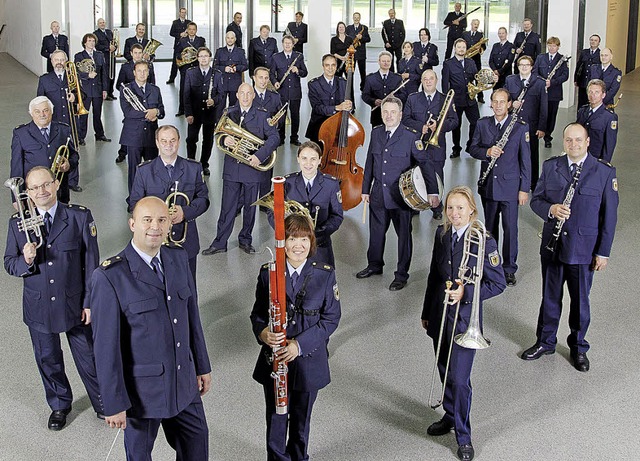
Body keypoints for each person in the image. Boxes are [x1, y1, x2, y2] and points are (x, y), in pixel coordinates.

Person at [91, 196, 212, 460]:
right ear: (132, 224)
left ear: (170, 224)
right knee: (139, 455)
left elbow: (192, 317)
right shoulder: (110, 277)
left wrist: (202, 366)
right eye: (147, 220)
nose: (154, 226)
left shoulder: (178, 258)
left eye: (161, 220)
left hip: (183, 383)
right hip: (142, 395)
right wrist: (113, 403)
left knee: (197, 446)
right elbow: (105, 348)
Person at [4, 166, 103, 431]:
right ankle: (60, 404)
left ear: (56, 184)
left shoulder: (79, 217)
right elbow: (9, 263)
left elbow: (91, 264)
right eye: (34, 188)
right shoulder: (17, 224)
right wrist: (25, 260)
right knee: (47, 357)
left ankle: (103, 402)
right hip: (38, 306)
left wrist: (89, 303)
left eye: (45, 185)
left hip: (74, 302)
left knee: (90, 356)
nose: (41, 192)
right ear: (27, 193)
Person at [522, 123, 619, 372]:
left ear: (587, 142)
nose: (573, 145)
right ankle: (545, 341)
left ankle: (578, 348)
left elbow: (609, 217)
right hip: (553, 246)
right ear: (564, 142)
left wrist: (603, 252)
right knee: (550, 298)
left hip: (583, 250)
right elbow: (537, 200)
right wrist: (551, 210)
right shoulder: (551, 166)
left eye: (578, 140)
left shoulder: (603, 172)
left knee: (580, 303)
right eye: (568, 140)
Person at [421, 186, 506, 461]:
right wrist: (426, 312)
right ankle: (449, 414)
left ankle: (464, 436)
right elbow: (434, 275)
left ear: (472, 209)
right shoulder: (442, 233)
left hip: (466, 319)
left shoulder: (484, 240)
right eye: (450, 208)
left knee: (460, 380)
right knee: (445, 369)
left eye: (460, 208)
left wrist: (465, 293)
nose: (454, 214)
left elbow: (497, 283)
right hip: (440, 314)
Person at [251, 214, 341, 461]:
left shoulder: (324, 275)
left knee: (301, 421)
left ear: (311, 242)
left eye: (303, 239)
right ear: (283, 241)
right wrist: (263, 332)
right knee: (276, 418)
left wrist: (298, 346)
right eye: (292, 239)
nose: (298, 245)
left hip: (308, 362)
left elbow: (330, 319)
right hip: (275, 362)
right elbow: (257, 314)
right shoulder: (268, 273)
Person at [356, 96, 439, 291]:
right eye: (385, 112)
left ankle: (401, 274)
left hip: (401, 198)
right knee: (376, 234)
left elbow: (425, 164)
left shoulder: (411, 136)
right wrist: (365, 189)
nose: (389, 116)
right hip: (377, 195)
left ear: (400, 115)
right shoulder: (376, 133)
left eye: (393, 112)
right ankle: (375, 265)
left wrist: (432, 191)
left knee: (404, 237)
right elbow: (370, 162)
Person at [202, 83, 279, 255]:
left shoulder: (262, 115)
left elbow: (274, 137)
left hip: (252, 169)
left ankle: (245, 240)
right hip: (232, 169)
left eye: (248, 93)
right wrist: (225, 141)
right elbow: (219, 135)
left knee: (250, 208)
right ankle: (219, 242)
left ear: (253, 96)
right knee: (227, 208)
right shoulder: (229, 113)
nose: (245, 97)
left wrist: (259, 155)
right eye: (242, 93)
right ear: (237, 94)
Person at [130, 125, 210, 283]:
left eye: (172, 140)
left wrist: (185, 212)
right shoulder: (144, 171)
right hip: (154, 239)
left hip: (184, 240)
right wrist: (157, 217)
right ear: (157, 143)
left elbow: (203, 199)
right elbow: (134, 203)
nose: (168, 144)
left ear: (179, 142)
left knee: (188, 286)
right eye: (164, 141)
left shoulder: (193, 168)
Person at [469, 88, 531, 286]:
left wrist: (524, 189)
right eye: (494, 101)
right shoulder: (482, 124)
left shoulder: (520, 128)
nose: (497, 105)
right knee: (490, 229)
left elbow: (526, 161)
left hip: (511, 188)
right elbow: (472, 148)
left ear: (509, 104)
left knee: (510, 230)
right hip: (489, 187)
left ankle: (509, 268)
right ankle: (490, 265)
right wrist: (487, 151)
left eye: (502, 102)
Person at [274, 141, 343, 266]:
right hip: (292, 246)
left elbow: (336, 216)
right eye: (304, 158)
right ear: (298, 159)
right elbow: (272, 211)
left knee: (322, 281)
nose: (308, 163)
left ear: (320, 160)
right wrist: (285, 232)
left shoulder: (331, 184)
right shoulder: (287, 182)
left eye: (313, 159)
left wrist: (315, 235)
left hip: (320, 244)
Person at [402, 69, 458, 220]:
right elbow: (405, 119)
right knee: (417, 174)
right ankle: (416, 205)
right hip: (416, 146)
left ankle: (437, 207)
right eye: (425, 79)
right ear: (421, 81)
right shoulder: (412, 98)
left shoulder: (445, 99)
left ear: (436, 80)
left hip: (436, 146)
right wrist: (421, 127)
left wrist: (439, 125)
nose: (428, 81)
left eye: (431, 79)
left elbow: (454, 121)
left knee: (437, 175)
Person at [11, 96, 78, 204]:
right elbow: (16, 167)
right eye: (37, 112)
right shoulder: (21, 133)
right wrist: (16, 199)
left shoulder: (63, 129)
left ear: (51, 111)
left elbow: (74, 155)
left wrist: (68, 164)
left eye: (45, 110)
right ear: (31, 113)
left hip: (59, 191)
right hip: (34, 194)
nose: (42, 115)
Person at [119, 61, 165, 197]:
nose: (142, 73)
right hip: (133, 136)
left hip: (151, 136)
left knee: (153, 170)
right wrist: (149, 113)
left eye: (145, 70)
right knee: (134, 170)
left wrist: (156, 111)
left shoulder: (155, 89)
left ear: (148, 72)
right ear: (134, 73)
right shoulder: (126, 89)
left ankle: (151, 198)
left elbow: (162, 111)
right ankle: (134, 200)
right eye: (139, 71)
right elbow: (128, 112)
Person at [504, 56, 547, 190]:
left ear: (532, 67)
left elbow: (544, 107)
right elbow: (504, 100)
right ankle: (515, 180)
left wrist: (542, 128)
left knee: (532, 155)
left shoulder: (539, 83)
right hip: (514, 125)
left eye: (527, 65)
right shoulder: (510, 80)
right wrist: (511, 105)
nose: (524, 67)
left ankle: (533, 183)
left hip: (531, 126)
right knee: (513, 153)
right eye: (521, 65)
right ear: (517, 67)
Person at [183, 47, 223, 176]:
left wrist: (214, 101)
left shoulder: (216, 74)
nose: (204, 58)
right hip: (194, 113)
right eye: (201, 56)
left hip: (210, 113)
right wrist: (188, 113)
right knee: (191, 139)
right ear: (198, 58)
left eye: (206, 56)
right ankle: (191, 163)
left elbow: (221, 94)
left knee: (208, 141)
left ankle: (204, 164)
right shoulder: (191, 73)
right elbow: (186, 95)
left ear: (210, 58)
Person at [442, 38, 481, 158]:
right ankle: (456, 148)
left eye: (463, 47)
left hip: (470, 99)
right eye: (459, 47)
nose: (461, 49)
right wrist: (448, 100)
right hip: (456, 100)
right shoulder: (448, 63)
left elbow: (477, 78)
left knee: (476, 122)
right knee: (456, 126)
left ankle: (470, 146)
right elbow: (445, 84)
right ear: (455, 48)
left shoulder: (470, 62)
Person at [74, 33, 111, 146]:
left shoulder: (99, 55)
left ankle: (99, 134)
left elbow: (103, 73)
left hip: (98, 89)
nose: (91, 43)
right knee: (83, 115)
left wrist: (105, 89)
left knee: (97, 113)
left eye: (93, 41)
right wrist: (87, 76)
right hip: (85, 90)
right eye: (89, 40)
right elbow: (76, 72)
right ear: (85, 42)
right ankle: (81, 137)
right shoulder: (79, 56)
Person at [305, 54, 351, 144]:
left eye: (333, 65)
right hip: (319, 126)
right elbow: (317, 108)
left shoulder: (343, 82)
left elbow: (349, 104)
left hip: (338, 127)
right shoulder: (313, 84)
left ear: (336, 66)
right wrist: (337, 108)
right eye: (327, 65)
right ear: (323, 66)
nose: (330, 68)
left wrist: (349, 106)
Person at [271, 34, 308, 146]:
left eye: (289, 43)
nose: (287, 45)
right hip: (281, 91)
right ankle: (281, 138)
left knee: (295, 115)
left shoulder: (299, 56)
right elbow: (271, 73)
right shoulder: (276, 57)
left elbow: (305, 73)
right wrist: (275, 82)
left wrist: (297, 70)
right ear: (282, 44)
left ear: (293, 44)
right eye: (285, 43)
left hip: (295, 92)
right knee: (281, 116)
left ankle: (294, 138)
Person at [533, 37, 569, 149]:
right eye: (549, 45)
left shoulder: (562, 59)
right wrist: (541, 82)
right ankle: (538, 132)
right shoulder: (540, 57)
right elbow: (534, 71)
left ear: (558, 47)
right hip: (540, 91)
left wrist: (552, 82)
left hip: (554, 93)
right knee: (539, 114)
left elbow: (565, 75)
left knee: (551, 116)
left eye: (554, 46)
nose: (551, 48)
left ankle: (548, 137)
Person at [253, 66, 283, 198]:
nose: (264, 81)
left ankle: (263, 201)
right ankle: (241, 203)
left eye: (266, 78)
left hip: (267, 141)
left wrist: (276, 122)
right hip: (251, 139)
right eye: (260, 77)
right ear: (254, 78)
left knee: (266, 172)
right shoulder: (248, 94)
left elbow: (281, 117)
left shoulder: (275, 97)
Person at [576, 79, 618, 162]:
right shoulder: (582, 111)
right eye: (590, 92)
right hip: (580, 156)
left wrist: (604, 164)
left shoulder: (609, 117)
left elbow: (609, 144)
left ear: (603, 95)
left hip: (595, 159)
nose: (593, 95)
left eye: (596, 92)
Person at [362, 51, 405, 128]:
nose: (386, 63)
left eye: (388, 61)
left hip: (393, 116)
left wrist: (394, 98)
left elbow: (404, 95)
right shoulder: (370, 78)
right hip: (377, 116)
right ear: (379, 62)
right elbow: (365, 96)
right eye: (383, 61)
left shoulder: (397, 78)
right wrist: (374, 101)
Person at [175, 22, 206, 117]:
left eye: (194, 29)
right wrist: (183, 55)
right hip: (185, 68)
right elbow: (177, 53)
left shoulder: (201, 40)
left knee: (196, 89)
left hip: (197, 67)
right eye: (190, 29)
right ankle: (182, 109)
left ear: (196, 30)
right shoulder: (182, 40)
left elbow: (204, 51)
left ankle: (196, 108)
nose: (192, 31)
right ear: (187, 30)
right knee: (184, 89)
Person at [36, 50, 74, 128]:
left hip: (71, 119)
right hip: (53, 119)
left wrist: (75, 96)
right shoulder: (44, 79)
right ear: (52, 62)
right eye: (56, 60)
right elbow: (40, 101)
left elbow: (83, 95)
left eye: (62, 60)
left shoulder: (73, 76)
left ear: (66, 61)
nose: (59, 62)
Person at [214, 31, 249, 107]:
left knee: (234, 108)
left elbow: (246, 66)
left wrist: (237, 68)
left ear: (235, 39)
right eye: (228, 38)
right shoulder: (219, 51)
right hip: (222, 84)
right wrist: (224, 69)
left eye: (232, 38)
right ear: (225, 39)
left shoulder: (240, 51)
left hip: (235, 83)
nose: (230, 40)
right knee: (220, 107)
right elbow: (215, 66)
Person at [462, 19, 486, 103]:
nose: (476, 25)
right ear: (471, 24)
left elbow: (484, 47)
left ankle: (480, 96)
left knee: (478, 78)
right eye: (475, 24)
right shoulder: (465, 34)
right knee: (466, 77)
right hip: (467, 59)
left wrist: (479, 48)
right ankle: (467, 94)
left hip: (476, 60)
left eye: (477, 24)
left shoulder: (480, 35)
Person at [574, 34, 601, 111]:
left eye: (595, 40)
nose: (593, 42)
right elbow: (579, 65)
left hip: (593, 82)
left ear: (599, 43)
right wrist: (576, 79)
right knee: (581, 102)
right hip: (583, 81)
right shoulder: (584, 52)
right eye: (591, 40)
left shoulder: (600, 54)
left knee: (591, 101)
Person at [346, 12, 371, 91]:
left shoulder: (364, 28)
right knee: (350, 73)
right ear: (353, 18)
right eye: (355, 17)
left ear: (360, 18)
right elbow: (346, 39)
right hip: (351, 54)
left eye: (358, 17)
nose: (356, 19)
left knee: (362, 73)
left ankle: (363, 88)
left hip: (361, 54)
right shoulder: (348, 28)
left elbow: (368, 39)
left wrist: (361, 37)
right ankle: (350, 89)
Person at [93, 18, 117, 100]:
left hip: (112, 57)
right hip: (104, 57)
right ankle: (106, 94)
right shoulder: (95, 33)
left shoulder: (109, 32)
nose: (102, 24)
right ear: (98, 24)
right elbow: (97, 46)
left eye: (103, 22)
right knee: (106, 76)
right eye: (100, 23)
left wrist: (114, 47)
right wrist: (108, 48)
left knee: (112, 75)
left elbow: (115, 42)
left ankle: (111, 92)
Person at [167, 7, 190, 84]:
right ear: (179, 13)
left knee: (186, 62)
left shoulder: (189, 22)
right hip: (177, 45)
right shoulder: (175, 22)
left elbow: (192, 32)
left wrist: (187, 34)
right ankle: (171, 78)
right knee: (175, 63)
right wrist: (180, 34)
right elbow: (171, 33)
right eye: (182, 12)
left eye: (184, 12)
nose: (183, 14)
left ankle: (187, 78)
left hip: (186, 46)